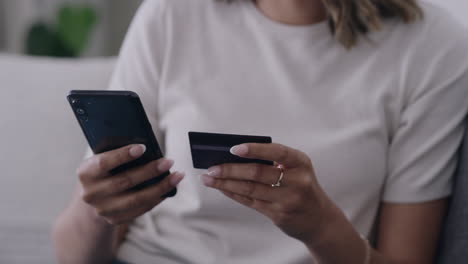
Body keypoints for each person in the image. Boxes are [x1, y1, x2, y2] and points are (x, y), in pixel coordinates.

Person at [53, 0, 468, 263]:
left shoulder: (432, 46)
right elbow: (71, 255)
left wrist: (322, 227)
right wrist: (99, 211)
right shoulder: (171, 13)